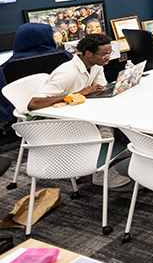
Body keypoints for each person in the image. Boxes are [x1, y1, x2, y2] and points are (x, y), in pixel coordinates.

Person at [27, 33, 130, 188]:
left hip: (71, 112)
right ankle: (100, 172)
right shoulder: (68, 72)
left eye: (110, 53)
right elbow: (33, 104)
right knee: (104, 128)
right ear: (88, 53)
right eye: (104, 54)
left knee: (116, 115)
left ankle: (111, 152)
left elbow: (100, 88)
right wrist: (77, 93)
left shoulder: (95, 66)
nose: (108, 57)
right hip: (45, 121)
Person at [0, 23, 73, 123]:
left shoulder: (6, 67)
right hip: (65, 110)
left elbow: (4, 107)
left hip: (26, 119)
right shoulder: (65, 56)